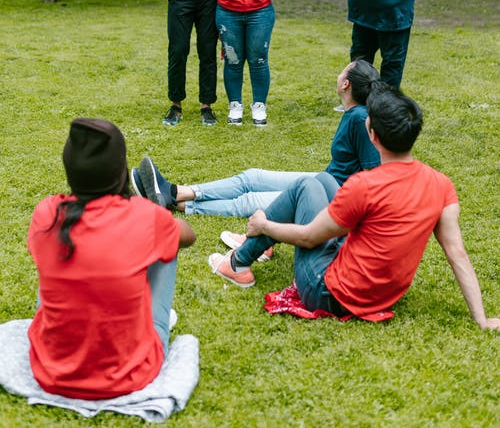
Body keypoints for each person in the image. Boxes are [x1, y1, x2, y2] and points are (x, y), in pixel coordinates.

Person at [208, 88, 500, 331]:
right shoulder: (441, 184)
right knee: (319, 180)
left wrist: (264, 225)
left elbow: (309, 238)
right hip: (381, 296)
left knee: (302, 187)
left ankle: (238, 264)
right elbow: (456, 253)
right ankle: (245, 256)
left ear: (373, 136)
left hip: (329, 293)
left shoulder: (365, 184)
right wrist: (482, 319)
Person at [27, 118, 196, 399]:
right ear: (119, 171)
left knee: (58, 253)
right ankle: (153, 321)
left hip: (51, 370)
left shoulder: (47, 213)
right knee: (170, 241)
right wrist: (153, 218)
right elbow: (188, 236)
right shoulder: (145, 216)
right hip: (131, 374)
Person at [130, 59, 380, 220]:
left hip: (331, 197)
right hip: (322, 181)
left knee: (249, 202)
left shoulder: (359, 118)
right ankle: (173, 192)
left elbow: (375, 175)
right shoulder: (353, 114)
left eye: (343, 70)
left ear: (346, 84)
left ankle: (177, 205)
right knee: (252, 178)